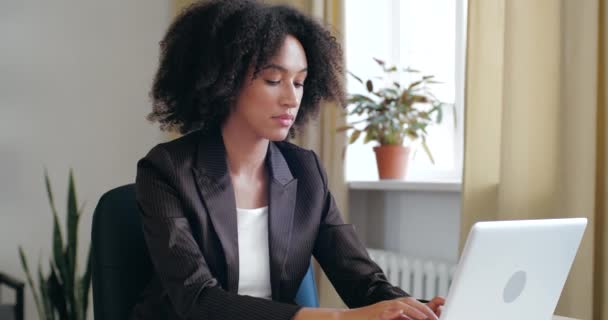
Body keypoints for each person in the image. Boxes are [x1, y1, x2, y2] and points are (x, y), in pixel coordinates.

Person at [133, 1, 445, 319]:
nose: (291, 98)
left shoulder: (304, 170)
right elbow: (198, 300)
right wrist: (340, 317)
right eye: (273, 80)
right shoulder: (166, 169)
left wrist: (417, 309)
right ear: (225, 81)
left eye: (299, 82)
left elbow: (363, 281)